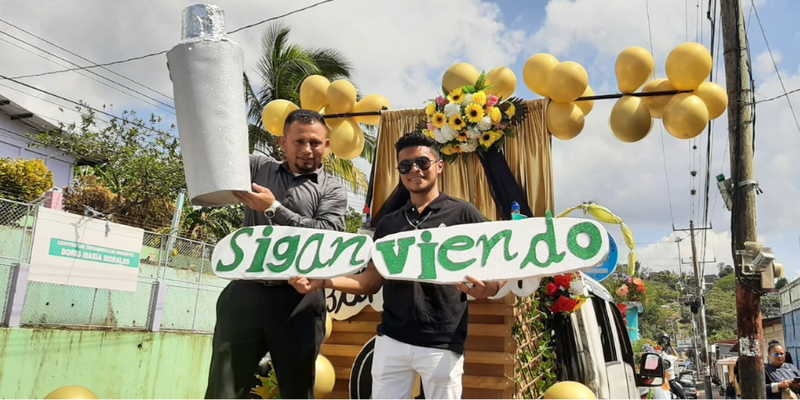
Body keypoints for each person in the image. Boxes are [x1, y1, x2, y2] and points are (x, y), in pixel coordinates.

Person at [289, 131, 503, 399]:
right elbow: (371, 281)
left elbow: (499, 266)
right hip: (392, 339)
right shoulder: (389, 224)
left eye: (422, 163)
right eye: (405, 166)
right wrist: (323, 282)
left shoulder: (464, 213)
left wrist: (490, 288)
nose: (414, 170)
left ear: (439, 166)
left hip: (442, 341)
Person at [204, 109, 348, 399]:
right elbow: (214, 152)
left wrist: (274, 209)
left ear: (327, 145)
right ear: (282, 142)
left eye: (316, 143)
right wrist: (188, 82)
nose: (308, 150)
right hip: (245, 292)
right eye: (299, 141)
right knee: (224, 388)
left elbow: (326, 235)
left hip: (300, 300)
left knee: (296, 390)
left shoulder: (333, 189)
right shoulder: (257, 168)